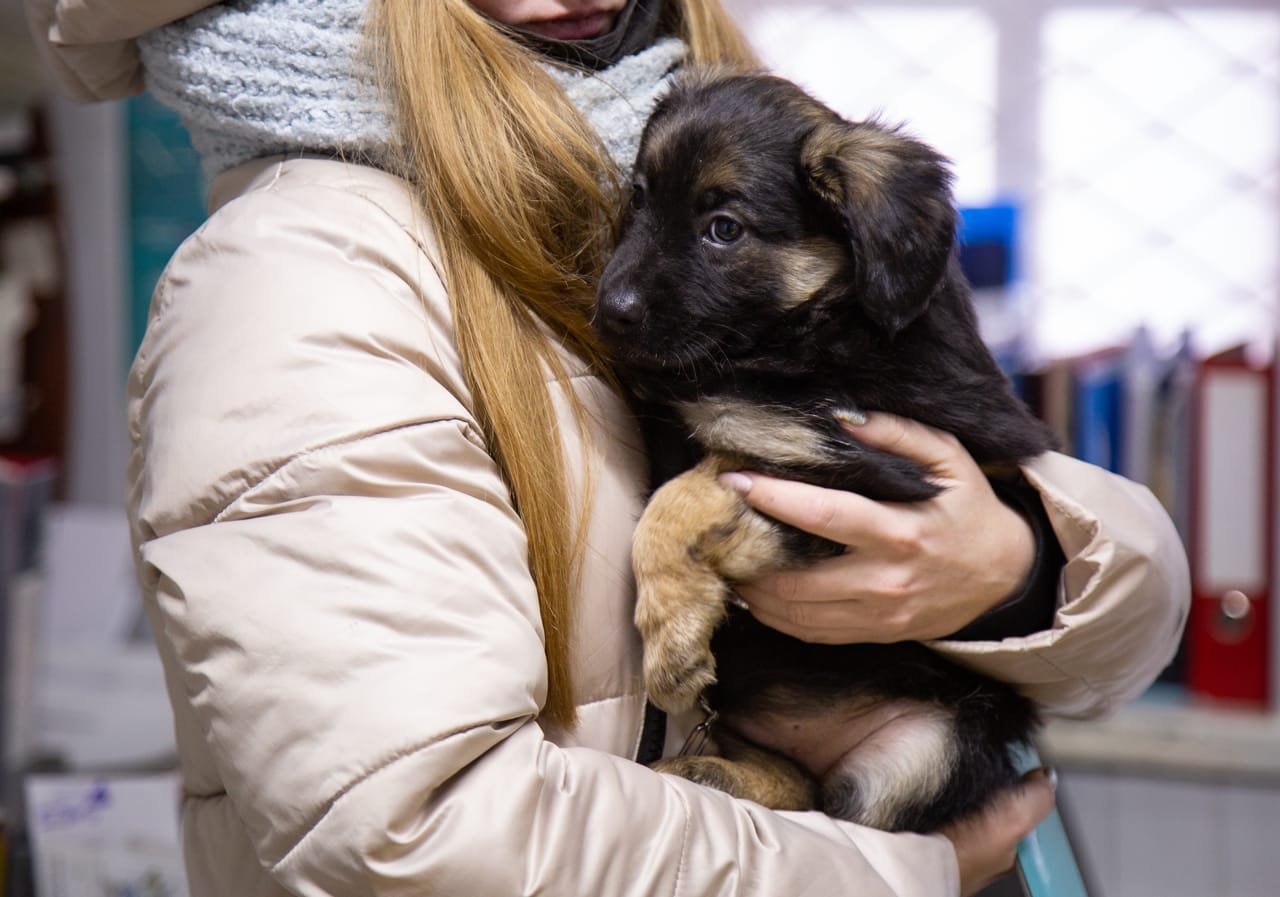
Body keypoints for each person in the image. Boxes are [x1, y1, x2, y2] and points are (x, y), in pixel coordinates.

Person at [26, 0, 1189, 894]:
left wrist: (1013, 563)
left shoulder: (641, 141)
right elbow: (413, 834)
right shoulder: (305, 274)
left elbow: (1114, 594)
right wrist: (904, 873)